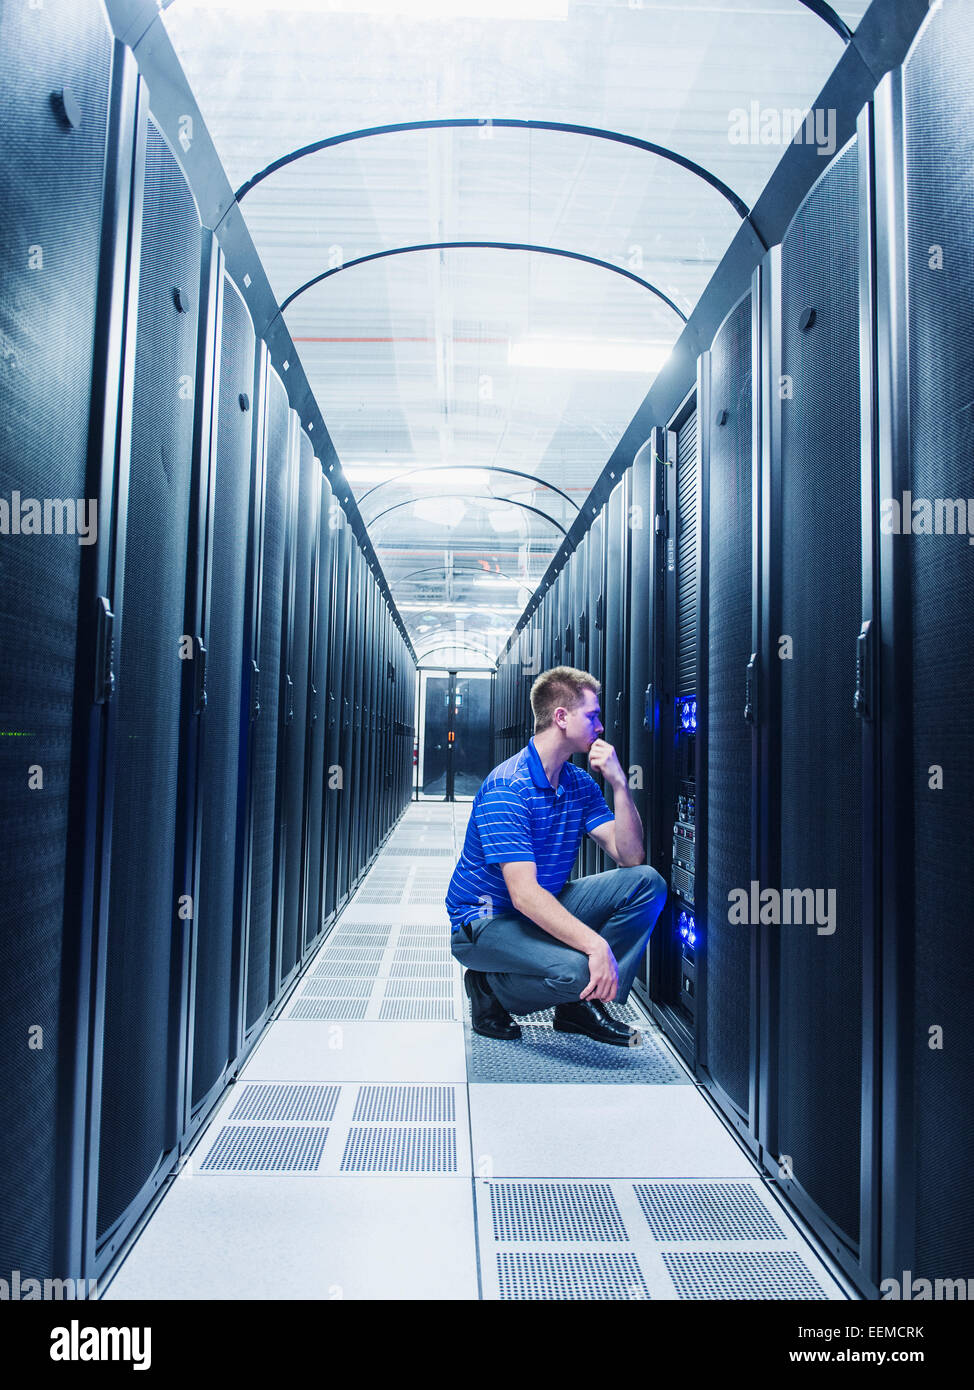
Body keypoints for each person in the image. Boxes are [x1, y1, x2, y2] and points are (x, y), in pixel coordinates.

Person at [446, 665, 667, 1045]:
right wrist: (595, 946)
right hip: (485, 922)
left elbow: (630, 857)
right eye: (593, 716)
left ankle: (576, 1007)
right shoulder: (507, 786)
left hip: (539, 907)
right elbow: (524, 895)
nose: (600, 727)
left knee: (647, 884)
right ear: (561, 717)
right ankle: (489, 988)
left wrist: (618, 783)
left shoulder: (577, 782)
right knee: (580, 969)